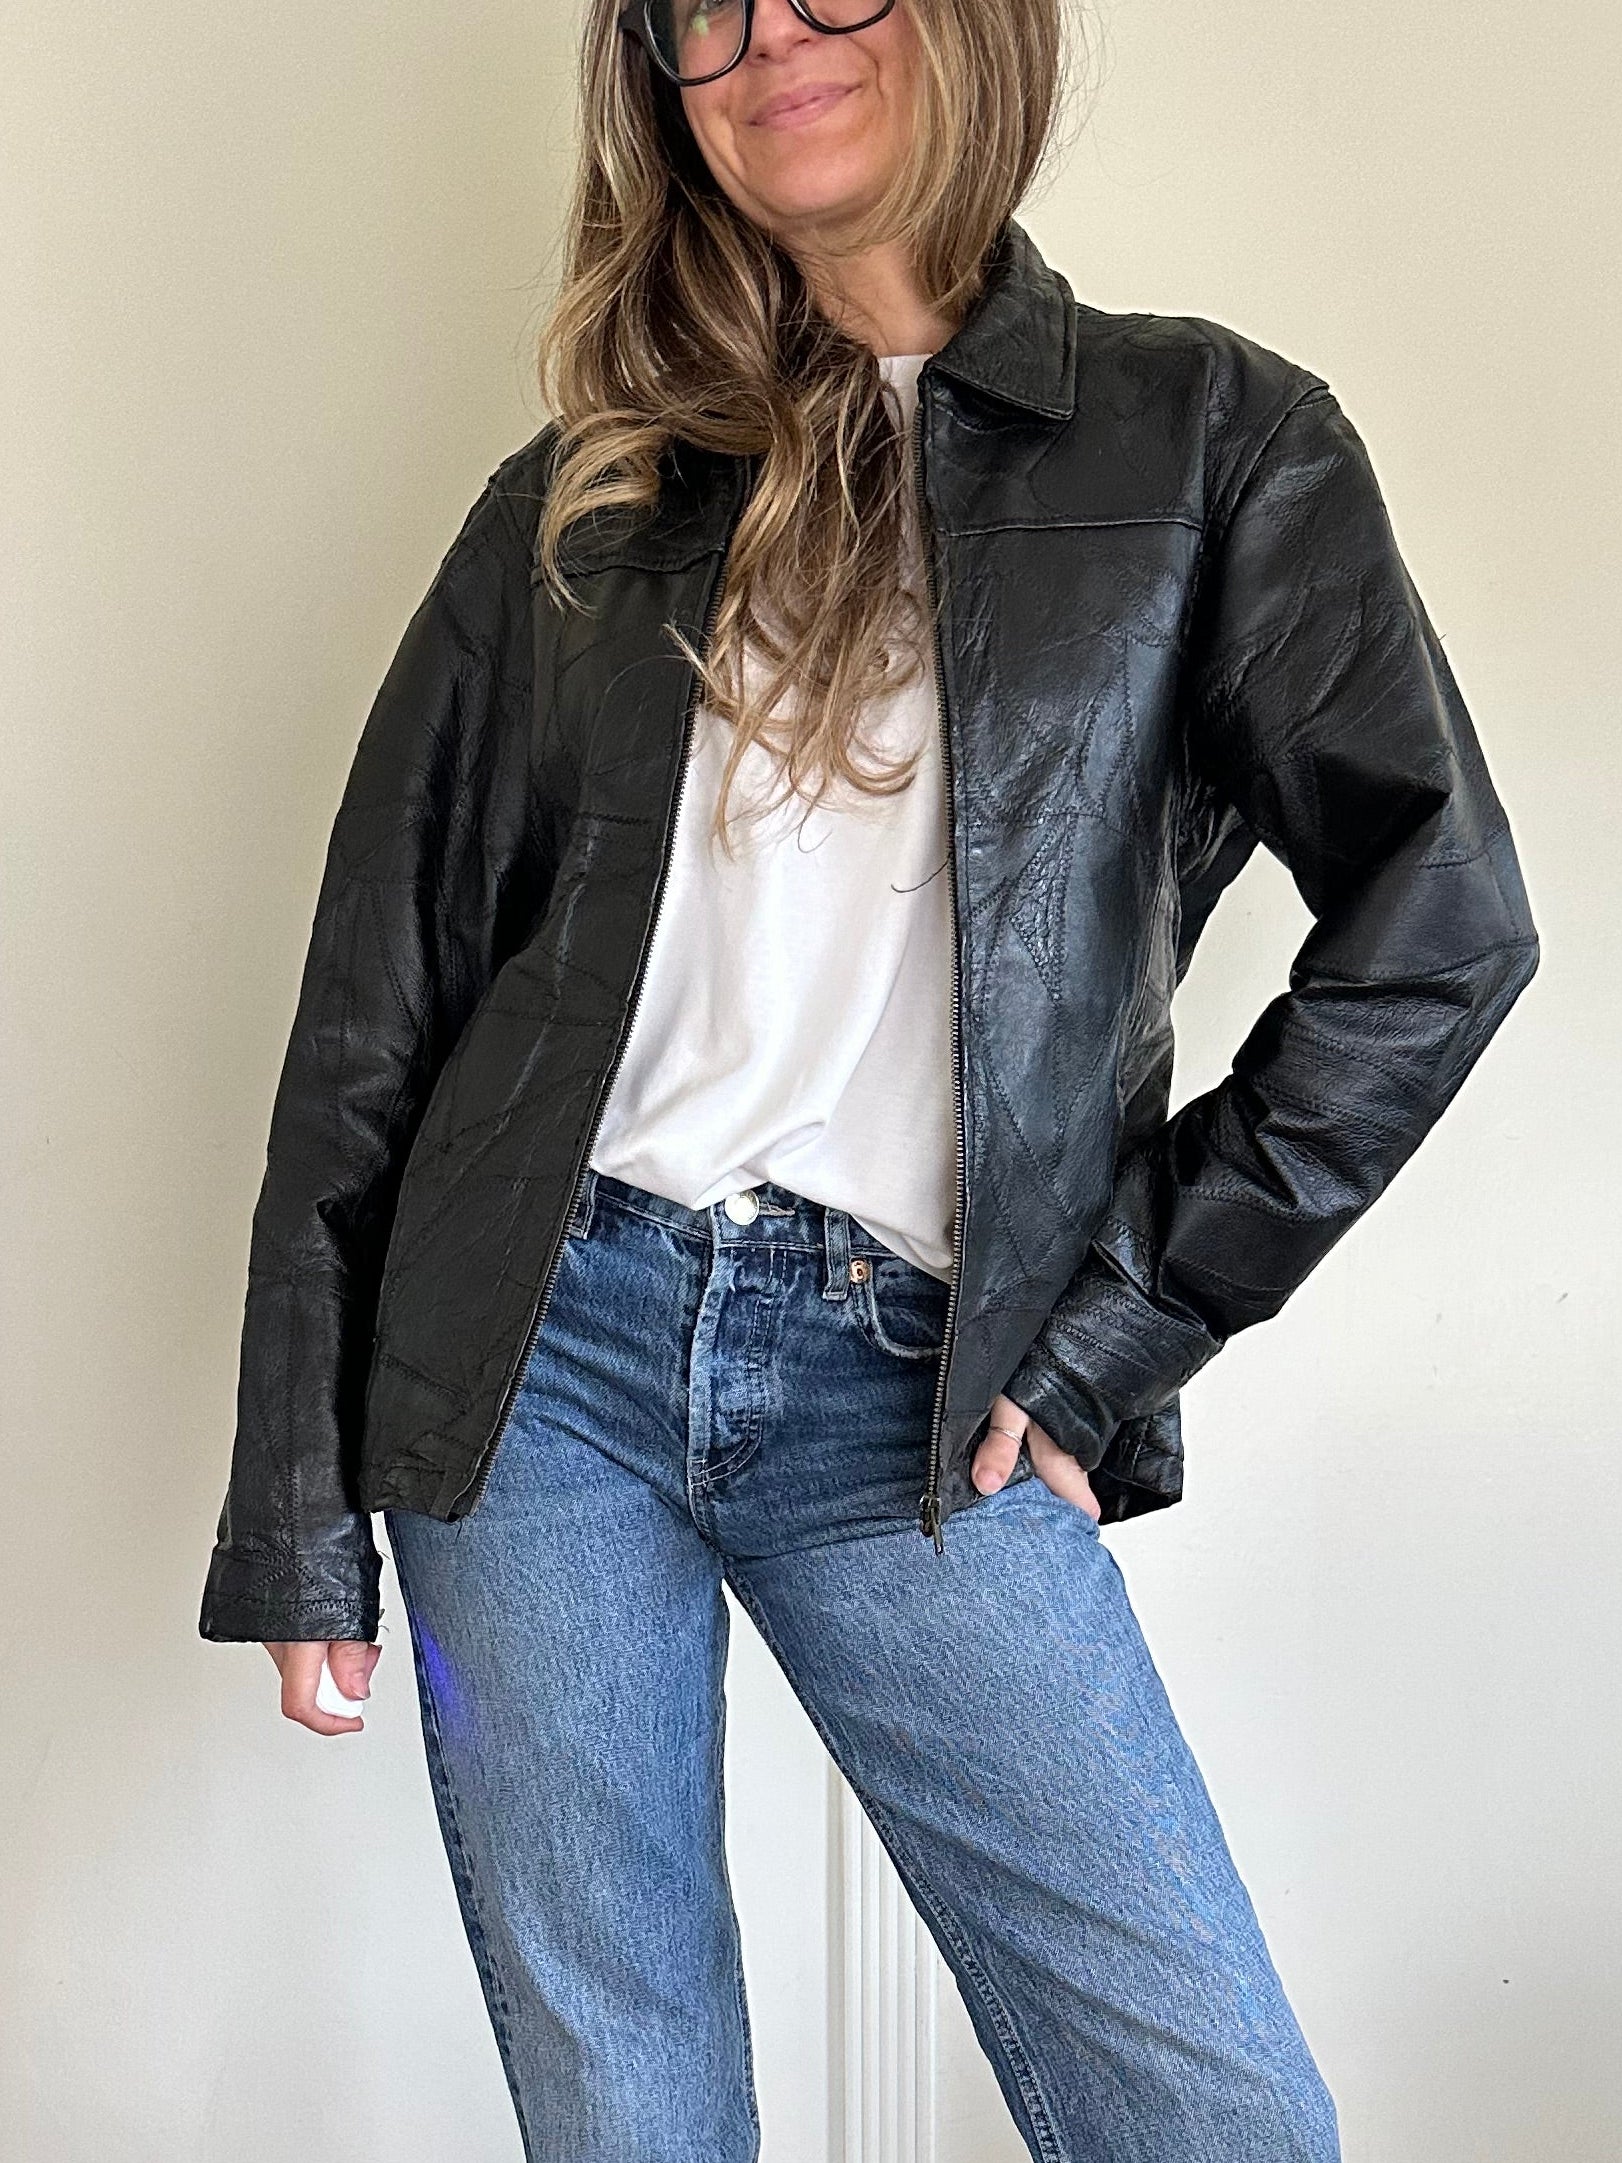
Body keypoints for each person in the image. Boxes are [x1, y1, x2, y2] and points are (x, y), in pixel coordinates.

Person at [198, 1, 1539, 2156]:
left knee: (1201, 2104)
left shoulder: (1212, 440)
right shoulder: (583, 499)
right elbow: (375, 1007)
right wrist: (293, 1506)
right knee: (619, 2088)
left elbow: (1440, 923)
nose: (758, 40)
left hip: (917, 1386)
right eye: (693, 12)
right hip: (525, 1368)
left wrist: (1119, 1329)